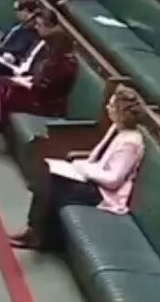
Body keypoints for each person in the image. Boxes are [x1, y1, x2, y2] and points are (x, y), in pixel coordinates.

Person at [9, 85, 145, 251]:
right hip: (92, 180)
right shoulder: (117, 128)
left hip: (104, 193)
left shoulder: (131, 142)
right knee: (47, 178)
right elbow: (96, 158)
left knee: (53, 187)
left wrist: (83, 169)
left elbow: (113, 180)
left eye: (111, 106)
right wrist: (80, 167)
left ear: (122, 113)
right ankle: (35, 232)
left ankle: (38, 235)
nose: (107, 108)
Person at [0, 15, 77, 152]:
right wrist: (25, 80)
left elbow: (47, 88)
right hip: (36, 93)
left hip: (46, 103)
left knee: (0, 90)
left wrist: (25, 82)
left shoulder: (65, 65)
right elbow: (38, 78)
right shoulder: (53, 60)